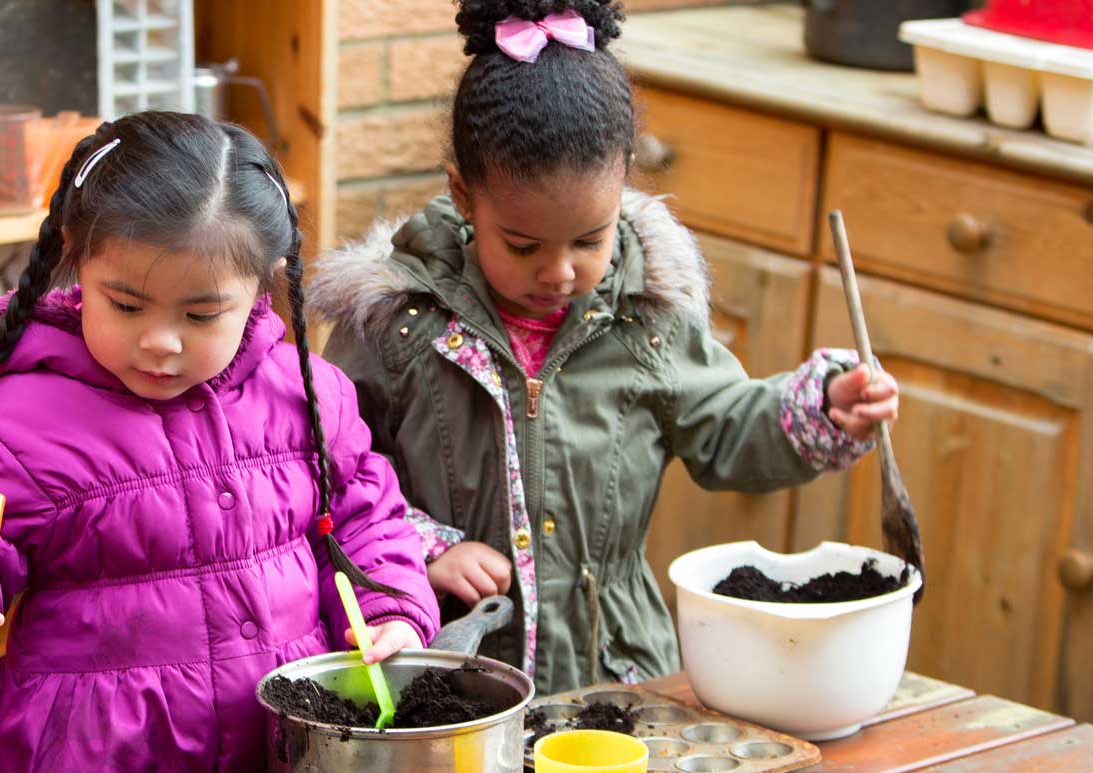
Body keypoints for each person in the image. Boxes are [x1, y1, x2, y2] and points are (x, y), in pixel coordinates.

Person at [308, 0, 903, 694]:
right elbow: (332, 476)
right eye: (523, 246)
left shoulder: (645, 317)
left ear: (623, 189)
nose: (559, 272)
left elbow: (729, 426)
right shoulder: (399, 325)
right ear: (464, 198)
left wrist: (825, 407)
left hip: (615, 677)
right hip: (452, 678)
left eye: (591, 240)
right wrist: (427, 549)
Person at [0, 112, 440, 773]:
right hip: (87, 755)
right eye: (127, 306)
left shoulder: (307, 397)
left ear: (263, 282)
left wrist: (389, 606)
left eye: (200, 314)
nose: (160, 341)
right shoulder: (26, 419)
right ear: (76, 256)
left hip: (277, 748)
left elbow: (366, 518)